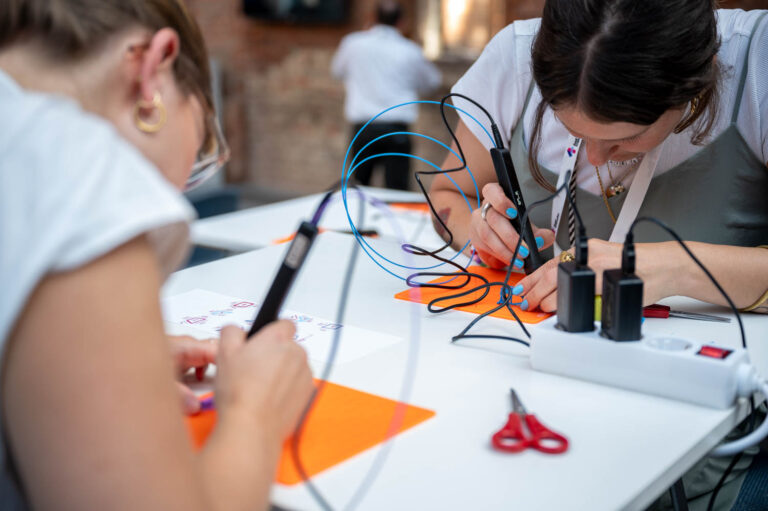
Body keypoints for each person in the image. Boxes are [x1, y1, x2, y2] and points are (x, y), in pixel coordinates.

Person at [0, 1, 314, 509]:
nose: (178, 189)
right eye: (199, 158)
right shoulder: (71, 167)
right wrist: (256, 413)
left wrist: (88, 356)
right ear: (154, 69)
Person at [429, 1, 768, 316]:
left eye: (627, 138)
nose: (593, 157)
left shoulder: (758, 63)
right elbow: (446, 196)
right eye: (566, 127)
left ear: (700, 79)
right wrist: (481, 229)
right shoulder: (515, 55)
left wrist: (676, 268)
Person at [331, 0, 441, 190]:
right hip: (396, 129)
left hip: (363, 128)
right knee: (397, 192)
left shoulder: (353, 43)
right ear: (401, 22)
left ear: (373, 18)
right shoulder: (410, 50)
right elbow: (432, 82)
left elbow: (337, 71)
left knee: (358, 190)